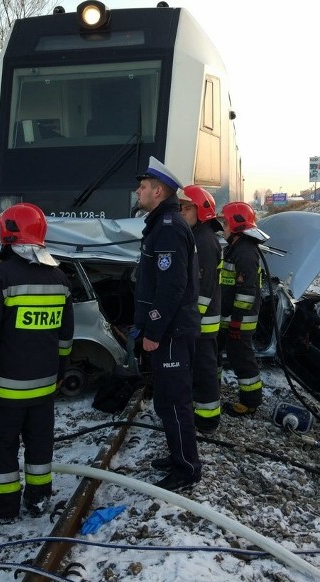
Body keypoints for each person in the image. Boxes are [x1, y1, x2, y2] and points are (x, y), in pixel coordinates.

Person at [0, 203, 74, 523]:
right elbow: (66, 338)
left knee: (1, 447)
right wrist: (59, 374)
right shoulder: (60, 279)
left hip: (5, 390)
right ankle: (38, 499)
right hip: (44, 388)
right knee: (40, 445)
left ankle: (2, 508)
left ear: (9, 235)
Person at [134, 157, 202, 491]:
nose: (139, 190)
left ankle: (187, 468)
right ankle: (178, 456)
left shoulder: (169, 228)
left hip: (172, 332)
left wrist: (153, 331)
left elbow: (171, 287)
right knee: (165, 399)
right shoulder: (162, 225)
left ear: (158, 191)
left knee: (175, 401)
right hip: (169, 331)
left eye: (143, 186)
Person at [177, 185, 223, 433]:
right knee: (200, 368)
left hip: (203, 322)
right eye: (180, 207)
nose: (181, 212)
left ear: (201, 210)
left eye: (186, 208)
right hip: (200, 320)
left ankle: (207, 419)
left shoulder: (203, 241)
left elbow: (202, 288)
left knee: (204, 369)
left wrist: (193, 319)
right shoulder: (198, 236)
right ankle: (201, 410)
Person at [218, 202, 269, 417]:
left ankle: (251, 402)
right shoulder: (236, 248)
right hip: (230, 317)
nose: (223, 227)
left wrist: (237, 321)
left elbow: (247, 292)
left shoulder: (246, 252)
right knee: (219, 353)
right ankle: (212, 390)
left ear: (237, 225)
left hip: (240, 319)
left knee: (242, 358)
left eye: (226, 223)